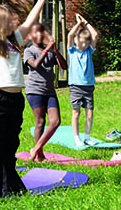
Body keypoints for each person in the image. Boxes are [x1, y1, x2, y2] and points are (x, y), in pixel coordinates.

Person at [0, 0, 51, 198]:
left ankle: (11, 186)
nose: (12, 22)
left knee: (9, 146)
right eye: (8, 20)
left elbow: (29, 21)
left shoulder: (14, 40)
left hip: (15, 100)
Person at [25, 25, 68, 162]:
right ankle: (40, 155)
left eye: (41, 32)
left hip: (49, 91)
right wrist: (47, 49)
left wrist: (55, 50)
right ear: (31, 36)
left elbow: (64, 66)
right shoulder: (29, 51)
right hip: (35, 90)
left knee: (55, 121)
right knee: (40, 122)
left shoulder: (50, 51)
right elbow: (35, 64)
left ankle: (35, 149)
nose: (40, 35)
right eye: (36, 33)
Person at [66, 14, 98, 146]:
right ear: (76, 40)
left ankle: (87, 137)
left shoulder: (89, 51)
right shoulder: (72, 51)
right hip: (75, 87)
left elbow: (95, 34)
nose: (84, 44)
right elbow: (69, 35)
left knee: (89, 114)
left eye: (86, 42)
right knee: (76, 112)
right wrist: (78, 24)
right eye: (81, 41)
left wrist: (86, 22)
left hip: (88, 87)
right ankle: (77, 138)